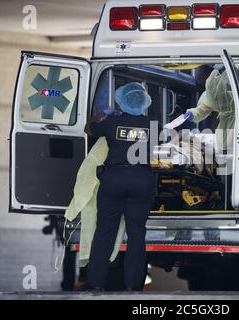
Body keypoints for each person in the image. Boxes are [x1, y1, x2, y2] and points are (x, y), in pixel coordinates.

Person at [84, 82, 156, 291]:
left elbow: (89, 129)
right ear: (144, 102)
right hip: (141, 180)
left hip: (114, 179)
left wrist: (101, 115)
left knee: (105, 232)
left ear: (122, 101)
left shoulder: (112, 122)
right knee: (136, 234)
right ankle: (133, 287)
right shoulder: (152, 124)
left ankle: (95, 285)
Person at [183, 64, 235, 153]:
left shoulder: (237, 81)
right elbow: (204, 107)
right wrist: (193, 113)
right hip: (224, 131)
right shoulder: (213, 87)